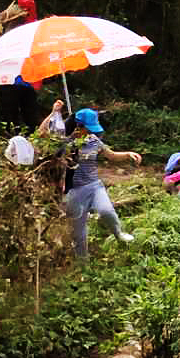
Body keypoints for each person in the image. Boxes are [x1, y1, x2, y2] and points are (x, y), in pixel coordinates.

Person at [64, 108, 141, 260]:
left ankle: (119, 233)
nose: (92, 132)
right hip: (74, 192)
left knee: (106, 211)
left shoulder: (94, 141)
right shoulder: (68, 144)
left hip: (94, 186)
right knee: (79, 234)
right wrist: (68, 145)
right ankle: (82, 264)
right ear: (79, 126)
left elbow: (111, 155)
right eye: (88, 128)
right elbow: (54, 156)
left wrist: (127, 154)